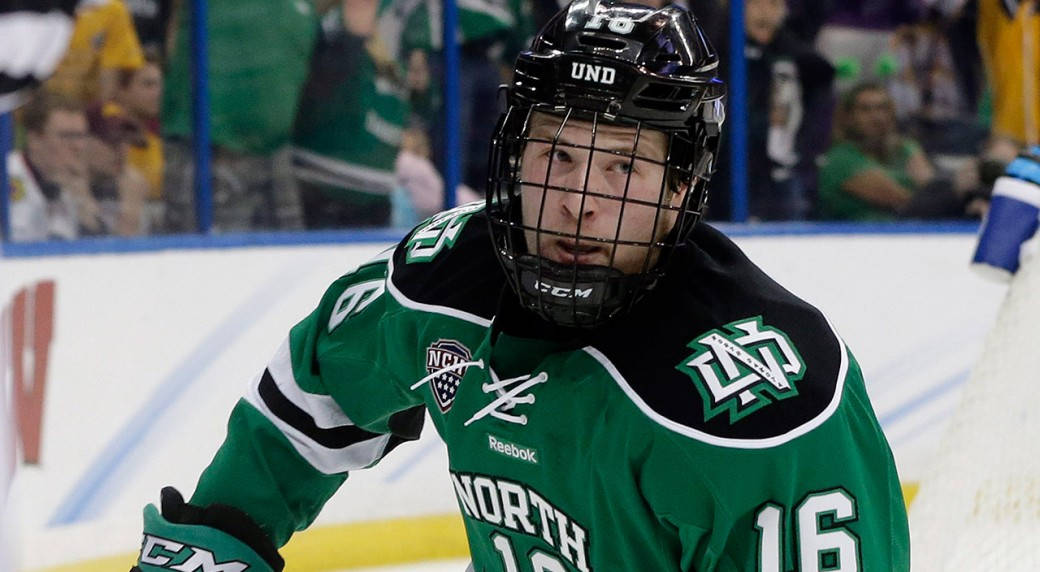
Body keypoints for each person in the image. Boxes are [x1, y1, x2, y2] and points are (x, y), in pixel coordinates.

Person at [131, 2, 910, 571]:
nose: (578, 199)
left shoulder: (760, 411)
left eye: (623, 167)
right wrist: (219, 536)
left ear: (680, 190)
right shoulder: (441, 282)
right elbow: (314, 393)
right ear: (512, 155)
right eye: (557, 155)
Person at [818, 81, 982, 220]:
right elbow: (906, 202)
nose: (877, 117)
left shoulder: (903, 149)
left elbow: (930, 186)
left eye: (883, 108)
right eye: (865, 109)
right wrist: (957, 190)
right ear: (848, 117)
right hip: (861, 239)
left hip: (915, 234)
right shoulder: (841, 159)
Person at [7, 94, 92, 242]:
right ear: (34, 139)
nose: (78, 146)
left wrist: (85, 206)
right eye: (66, 136)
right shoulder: (6, 175)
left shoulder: (71, 187)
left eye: (81, 136)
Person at [42, 0, 145, 107]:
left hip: (89, 107)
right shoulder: (37, 10)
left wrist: (96, 112)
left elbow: (111, 72)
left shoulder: (111, 8)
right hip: (41, 104)